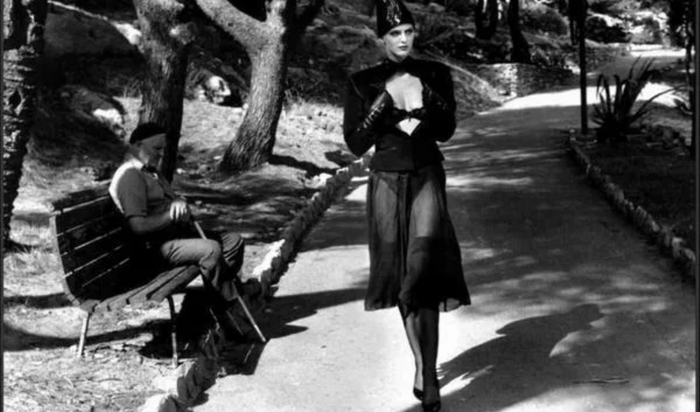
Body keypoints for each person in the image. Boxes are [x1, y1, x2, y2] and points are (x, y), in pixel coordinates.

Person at [343, 1, 471, 411]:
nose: (403, 40)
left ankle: (429, 377)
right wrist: (385, 100)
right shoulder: (362, 82)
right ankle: (421, 364)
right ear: (381, 38)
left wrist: (425, 94)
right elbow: (356, 143)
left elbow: (447, 130)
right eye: (395, 34)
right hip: (386, 181)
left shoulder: (435, 73)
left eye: (408, 32)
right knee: (402, 275)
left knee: (424, 267)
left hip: (427, 176)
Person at [109, 122, 246, 337]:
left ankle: (206, 306)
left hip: (172, 238)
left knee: (233, 240)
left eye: (163, 149)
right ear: (137, 145)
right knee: (210, 250)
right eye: (156, 148)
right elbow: (138, 227)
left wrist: (179, 203)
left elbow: (171, 201)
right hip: (151, 249)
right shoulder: (130, 176)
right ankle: (223, 310)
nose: (161, 154)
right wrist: (170, 215)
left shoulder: (150, 172)